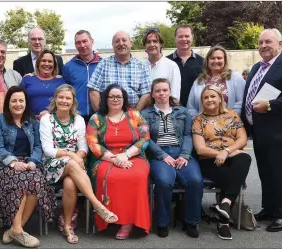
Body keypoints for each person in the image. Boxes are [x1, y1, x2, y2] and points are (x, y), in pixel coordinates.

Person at [40, 84, 118, 243]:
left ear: (73, 101)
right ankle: (97, 205)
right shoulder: (46, 119)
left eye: (68, 98)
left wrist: (78, 156)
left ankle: (68, 226)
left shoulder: (79, 120)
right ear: (55, 98)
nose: (64, 101)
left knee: (70, 183)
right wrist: (72, 156)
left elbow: (83, 147)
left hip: (75, 163)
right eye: (61, 97)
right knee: (71, 164)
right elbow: (48, 149)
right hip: (52, 163)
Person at [241, 28, 282, 232]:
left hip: (280, 133)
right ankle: (269, 208)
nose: (263, 46)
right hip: (260, 132)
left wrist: (270, 105)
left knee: (281, 175)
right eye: (261, 42)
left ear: (280, 44)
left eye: (268, 42)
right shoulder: (256, 67)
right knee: (266, 173)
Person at [0, 86, 56, 248]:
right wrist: (13, 162)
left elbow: (38, 147)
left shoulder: (33, 121)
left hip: (28, 162)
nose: (18, 104)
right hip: (5, 164)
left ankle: (15, 230)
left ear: (26, 103)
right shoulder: (0, 120)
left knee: (36, 180)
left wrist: (33, 161)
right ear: (8, 103)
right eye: (14, 100)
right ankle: (19, 231)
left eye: (21, 100)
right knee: (21, 182)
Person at [86, 84, 151, 239]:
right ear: (105, 99)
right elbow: (92, 143)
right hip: (105, 157)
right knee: (108, 177)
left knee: (136, 177)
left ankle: (128, 222)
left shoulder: (135, 115)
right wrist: (116, 159)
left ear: (124, 99)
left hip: (134, 156)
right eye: (111, 96)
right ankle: (108, 217)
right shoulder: (96, 118)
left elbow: (145, 138)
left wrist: (126, 155)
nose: (115, 100)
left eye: (118, 97)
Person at [141, 78, 203, 238]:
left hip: (181, 151)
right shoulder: (144, 114)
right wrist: (162, 155)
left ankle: (192, 221)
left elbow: (188, 135)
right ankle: (162, 223)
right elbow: (145, 138)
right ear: (152, 94)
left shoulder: (182, 112)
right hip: (159, 154)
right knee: (163, 181)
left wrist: (184, 155)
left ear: (169, 92)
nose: (161, 93)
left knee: (195, 181)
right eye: (158, 91)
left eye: (164, 90)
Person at [192, 85, 251, 240]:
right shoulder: (198, 120)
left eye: (213, 96)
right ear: (202, 101)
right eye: (206, 97)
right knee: (231, 176)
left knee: (245, 158)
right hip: (209, 160)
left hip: (230, 154)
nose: (209, 99)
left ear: (220, 98)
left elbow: (242, 139)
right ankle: (223, 220)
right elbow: (200, 149)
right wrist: (220, 153)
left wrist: (227, 152)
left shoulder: (232, 115)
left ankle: (224, 205)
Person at [88, 31, 152, 111]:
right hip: (108, 117)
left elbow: (146, 93)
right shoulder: (103, 64)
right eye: (117, 41)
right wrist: (101, 116)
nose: (121, 43)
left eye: (124, 40)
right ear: (113, 45)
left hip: (134, 115)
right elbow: (93, 90)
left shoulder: (141, 66)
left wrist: (135, 116)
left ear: (131, 43)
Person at [187, 45, 246, 117]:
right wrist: (198, 121)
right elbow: (191, 108)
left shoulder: (235, 77)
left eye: (219, 58)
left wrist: (230, 118)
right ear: (207, 60)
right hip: (204, 126)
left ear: (225, 60)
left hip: (230, 124)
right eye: (212, 58)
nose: (216, 61)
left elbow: (242, 102)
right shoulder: (199, 81)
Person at [63, 30, 102, 123]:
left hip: (100, 116)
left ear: (92, 41)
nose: (82, 45)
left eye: (85, 41)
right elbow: (64, 90)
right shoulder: (68, 67)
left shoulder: (102, 64)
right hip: (76, 117)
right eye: (78, 42)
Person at [20, 49, 66, 117]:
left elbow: (65, 102)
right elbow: (19, 100)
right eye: (43, 61)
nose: (46, 64)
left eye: (50, 61)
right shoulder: (27, 79)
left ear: (54, 64)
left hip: (54, 121)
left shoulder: (60, 81)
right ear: (38, 63)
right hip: (30, 122)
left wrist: (49, 113)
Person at [167, 24, 204, 107]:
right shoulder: (166, 62)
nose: (184, 39)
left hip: (196, 110)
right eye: (180, 36)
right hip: (171, 110)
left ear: (192, 37)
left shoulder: (203, 62)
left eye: (187, 36)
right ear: (175, 39)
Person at [142, 28, 181, 101]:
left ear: (160, 44)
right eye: (148, 42)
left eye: (155, 41)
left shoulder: (171, 66)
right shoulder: (140, 66)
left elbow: (175, 96)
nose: (152, 44)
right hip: (142, 111)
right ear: (144, 46)